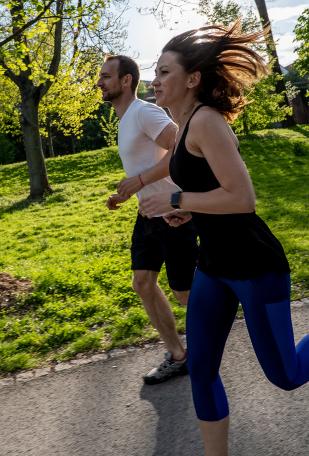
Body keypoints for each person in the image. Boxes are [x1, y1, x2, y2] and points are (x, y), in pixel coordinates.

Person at [137, 22, 309, 456]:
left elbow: (243, 199)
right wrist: (186, 210)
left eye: (163, 72)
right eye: (154, 73)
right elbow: (213, 191)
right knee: (201, 369)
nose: (154, 81)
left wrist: (175, 195)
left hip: (253, 265)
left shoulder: (207, 122)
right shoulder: (183, 127)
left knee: (285, 375)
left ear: (192, 79)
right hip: (213, 264)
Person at [97, 54, 200, 385]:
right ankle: (179, 355)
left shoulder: (144, 111)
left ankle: (222, 328)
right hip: (147, 213)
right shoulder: (125, 119)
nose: (100, 82)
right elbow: (148, 164)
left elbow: (182, 147)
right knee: (142, 282)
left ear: (126, 81)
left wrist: (140, 182)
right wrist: (129, 192)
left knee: (185, 293)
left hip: (172, 212)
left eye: (106, 76)